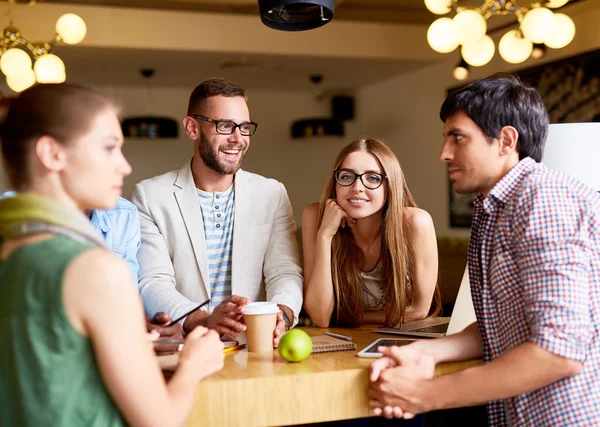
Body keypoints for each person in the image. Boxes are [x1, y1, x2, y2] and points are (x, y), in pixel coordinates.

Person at [368, 75, 600, 426]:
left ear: (505, 140)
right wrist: (426, 351)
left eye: (457, 137)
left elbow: (558, 352)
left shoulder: (543, 203)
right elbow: (507, 324)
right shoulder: (496, 208)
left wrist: (425, 395)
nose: (443, 153)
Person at [0, 83, 224, 426]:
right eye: (109, 148)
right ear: (52, 154)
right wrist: (194, 365)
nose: (125, 166)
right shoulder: (95, 268)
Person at [131, 77, 303, 347]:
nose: (238, 139)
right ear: (192, 128)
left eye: (245, 128)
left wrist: (281, 314)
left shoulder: (273, 193)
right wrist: (203, 319)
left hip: (255, 348)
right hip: (187, 348)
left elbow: (284, 272)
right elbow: (153, 282)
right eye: (225, 126)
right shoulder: (150, 196)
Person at [302, 137, 440, 328]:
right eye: (346, 176)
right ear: (335, 183)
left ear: (390, 186)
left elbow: (419, 310)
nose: (357, 187)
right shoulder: (315, 216)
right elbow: (320, 317)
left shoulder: (415, 223)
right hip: (341, 346)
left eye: (373, 178)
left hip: (398, 342)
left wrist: (353, 319)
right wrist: (325, 236)